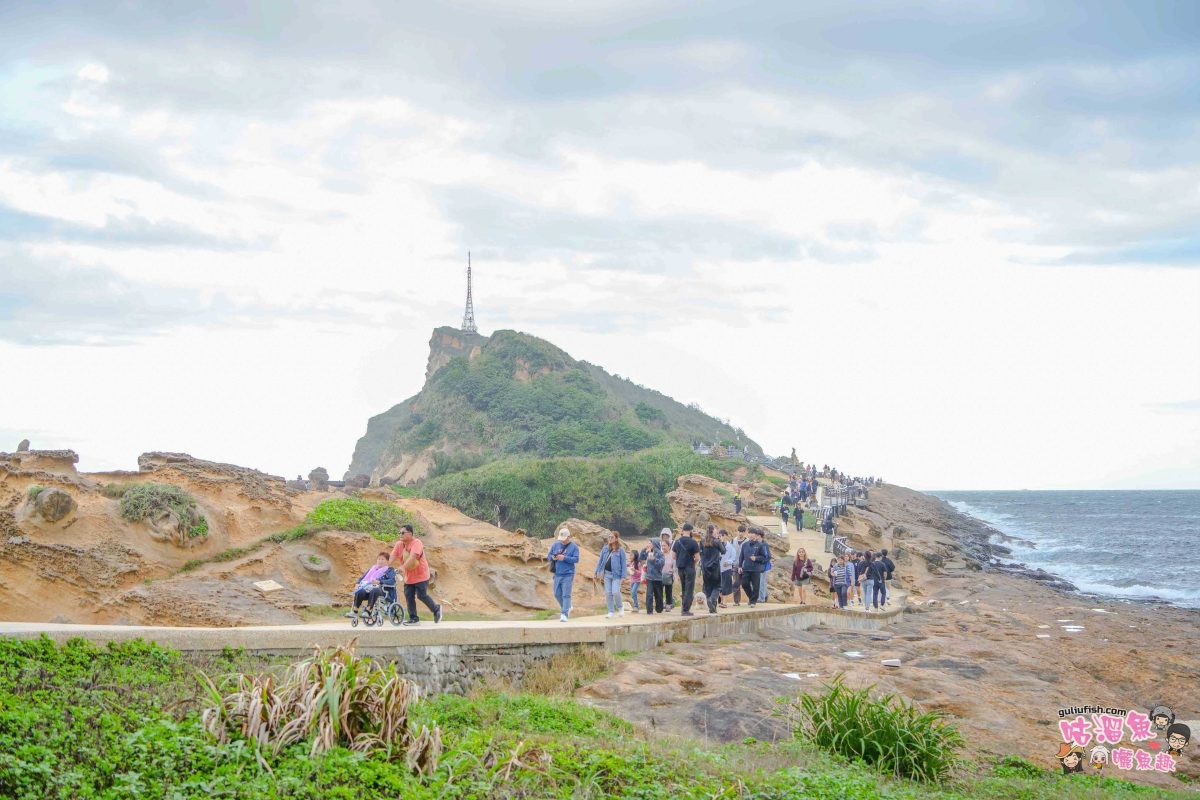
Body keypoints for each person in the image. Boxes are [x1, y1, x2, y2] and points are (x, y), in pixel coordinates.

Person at [391, 523, 443, 625]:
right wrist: (382, 566)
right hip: (409, 577)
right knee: (408, 595)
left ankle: (436, 609)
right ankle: (414, 619)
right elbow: (392, 556)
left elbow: (412, 558)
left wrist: (402, 567)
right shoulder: (399, 545)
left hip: (421, 575)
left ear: (410, 533)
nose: (400, 535)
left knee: (421, 595)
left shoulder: (417, 543)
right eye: (399, 533)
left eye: (402, 533)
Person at [546, 527, 580, 622]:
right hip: (557, 573)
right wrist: (553, 557)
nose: (563, 541)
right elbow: (548, 556)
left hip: (568, 574)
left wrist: (564, 558)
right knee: (557, 594)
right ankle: (568, 606)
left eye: (564, 539)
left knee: (566, 595)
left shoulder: (574, 547)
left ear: (569, 537)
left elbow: (576, 559)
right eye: (561, 539)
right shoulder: (555, 545)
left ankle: (564, 614)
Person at [349, 552, 395, 618]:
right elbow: (362, 577)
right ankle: (355, 611)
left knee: (375, 590)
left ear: (387, 561)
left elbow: (392, 581)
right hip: (368, 588)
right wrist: (357, 583)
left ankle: (368, 610)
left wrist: (380, 581)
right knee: (360, 590)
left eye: (382, 559)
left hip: (383, 591)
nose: (380, 561)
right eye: (379, 559)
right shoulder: (372, 569)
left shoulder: (389, 570)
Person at [594, 530, 627, 619]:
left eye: (612, 537)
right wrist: (597, 572)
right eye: (609, 537)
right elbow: (600, 561)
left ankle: (620, 607)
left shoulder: (620, 550)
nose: (610, 539)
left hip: (617, 575)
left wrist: (623, 576)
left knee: (615, 592)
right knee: (608, 593)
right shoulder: (605, 548)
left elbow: (623, 563)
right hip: (607, 575)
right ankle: (611, 611)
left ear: (616, 539)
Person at [672, 523, 701, 616]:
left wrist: (680, 559)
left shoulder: (677, 542)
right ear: (690, 531)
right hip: (689, 568)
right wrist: (694, 564)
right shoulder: (693, 542)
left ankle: (683, 608)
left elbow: (673, 556)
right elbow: (697, 558)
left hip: (680, 568)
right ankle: (685, 610)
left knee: (684, 588)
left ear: (683, 531)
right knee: (689, 589)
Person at [737, 526, 769, 607]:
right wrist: (740, 566)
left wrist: (756, 558)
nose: (751, 535)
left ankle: (753, 602)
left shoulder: (760, 545)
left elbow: (764, 557)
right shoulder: (745, 545)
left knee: (756, 585)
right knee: (744, 584)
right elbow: (741, 556)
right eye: (750, 533)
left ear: (756, 535)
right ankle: (752, 598)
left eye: (753, 533)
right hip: (746, 568)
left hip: (756, 569)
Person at [699, 526, 724, 614]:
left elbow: (700, 553)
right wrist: (721, 541)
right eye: (716, 531)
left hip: (705, 568)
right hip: (715, 568)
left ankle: (712, 608)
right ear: (712, 532)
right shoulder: (717, 541)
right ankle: (711, 599)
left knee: (708, 587)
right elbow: (723, 551)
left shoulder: (702, 541)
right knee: (717, 586)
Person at [644, 538, 666, 615]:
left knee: (658, 595)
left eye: (650, 543)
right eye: (648, 543)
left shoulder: (660, 553)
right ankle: (649, 611)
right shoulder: (648, 552)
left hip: (657, 577)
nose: (649, 544)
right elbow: (640, 557)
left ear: (655, 544)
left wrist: (654, 559)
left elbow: (661, 564)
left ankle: (659, 609)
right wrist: (645, 550)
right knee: (649, 594)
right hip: (649, 577)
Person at [717, 528, 736, 608]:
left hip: (726, 569)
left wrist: (728, 562)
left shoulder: (730, 547)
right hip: (717, 569)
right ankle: (721, 601)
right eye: (719, 536)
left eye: (722, 535)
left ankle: (724, 602)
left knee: (725, 586)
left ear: (726, 536)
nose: (720, 537)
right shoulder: (717, 545)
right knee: (719, 586)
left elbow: (733, 558)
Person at [659, 529, 677, 610]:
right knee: (659, 590)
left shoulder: (672, 553)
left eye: (666, 535)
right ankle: (660, 604)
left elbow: (674, 565)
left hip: (669, 575)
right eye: (663, 535)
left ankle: (668, 605)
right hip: (660, 574)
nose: (665, 537)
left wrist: (674, 574)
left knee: (668, 590)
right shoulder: (660, 553)